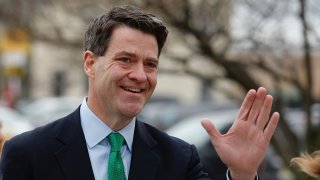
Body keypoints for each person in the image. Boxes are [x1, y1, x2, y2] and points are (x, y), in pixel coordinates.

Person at [0, 5, 279, 180]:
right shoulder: (28, 154)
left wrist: (242, 175)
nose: (140, 75)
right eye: (125, 60)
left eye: (150, 64)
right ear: (90, 63)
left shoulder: (179, 159)